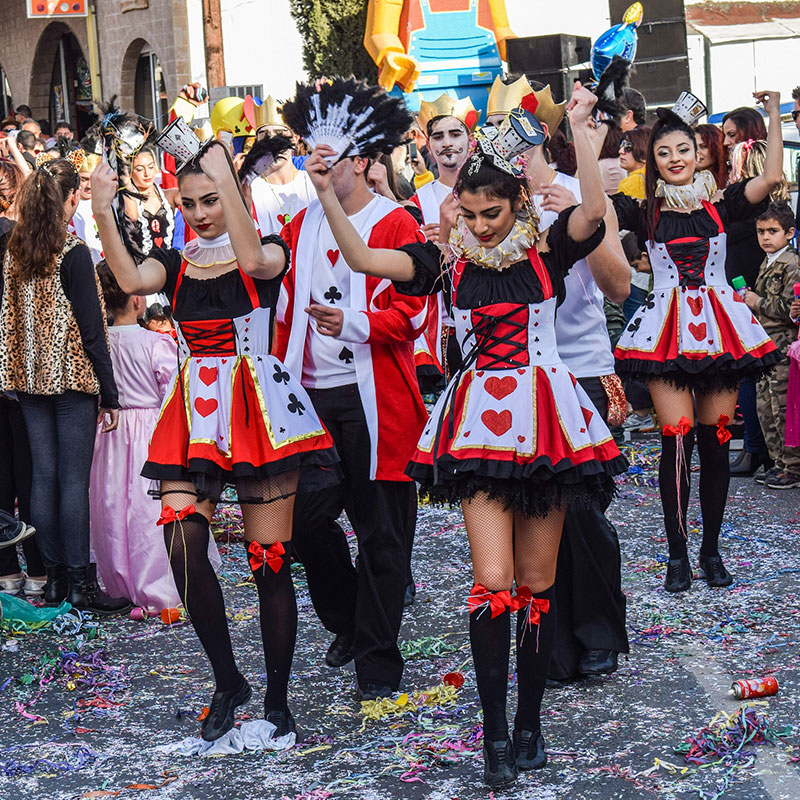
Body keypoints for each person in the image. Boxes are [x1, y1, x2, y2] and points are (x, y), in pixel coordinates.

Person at [304, 82, 627, 789]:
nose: (480, 225)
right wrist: (329, 192)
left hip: (547, 426)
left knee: (537, 583)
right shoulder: (445, 264)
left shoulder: (548, 255)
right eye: (470, 213)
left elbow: (595, 219)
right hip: (478, 424)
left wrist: (580, 139)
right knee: (493, 580)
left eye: (492, 213)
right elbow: (362, 261)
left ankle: (531, 721)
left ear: (516, 205)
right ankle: (494, 734)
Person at [92, 142, 338, 742]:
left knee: (269, 563)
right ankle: (228, 681)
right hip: (195, 409)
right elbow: (128, 277)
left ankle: (277, 698)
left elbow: (253, 264)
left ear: (230, 194)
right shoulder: (175, 263)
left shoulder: (268, 249)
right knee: (182, 536)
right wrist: (102, 210)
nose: (201, 213)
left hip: (259, 406)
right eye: (191, 202)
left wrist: (231, 182)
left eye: (211, 199)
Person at [278, 78, 428, 702]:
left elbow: (414, 311)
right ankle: (346, 619)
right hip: (311, 399)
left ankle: (376, 661)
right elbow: (276, 301)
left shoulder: (395, 222)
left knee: (383, 532)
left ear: (362, 161)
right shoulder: (297, 225)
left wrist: (358, 324)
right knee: (304, 522)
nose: (315, 168)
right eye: (307, 156)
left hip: (377, 401)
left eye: (328, 158)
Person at [613, 90, 784, 592]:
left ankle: (710, 550)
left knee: (714, 443)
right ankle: (676, 553)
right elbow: (592, 208)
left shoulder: (722, 202)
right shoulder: (642, 210)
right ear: (653, 160)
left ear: (698, 151)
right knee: (676, 439)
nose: (674, 160)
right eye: (663, 153)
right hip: (666, 331)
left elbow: (772, 177)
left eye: (682, 150)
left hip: (719, 329)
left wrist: (773, 112)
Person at [0, 156, 130, 615]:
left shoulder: (14, 251)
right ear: (70, 198)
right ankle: (78, 583)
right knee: (72, 482)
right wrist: (110, 393)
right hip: (71, 378)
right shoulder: (73, 252)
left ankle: (53, 579)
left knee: (43, 479)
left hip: (28, 378)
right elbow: (93, 330)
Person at [89, 263, 218, 609]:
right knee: (150, 508)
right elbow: (174, 388)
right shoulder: (156, 343)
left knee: (112, 504)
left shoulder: (98, 343)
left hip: (111, 433)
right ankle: (161, 582)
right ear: (137, 301)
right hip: (150, 430)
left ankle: (119, 581)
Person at [727, 138, 790, 477]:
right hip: (749, 298)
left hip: (759, 305)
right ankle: (764, 452)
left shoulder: (760, 213)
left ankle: (763, 452)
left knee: (761, 383)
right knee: (757, 386)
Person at [407, 96, 477, 396]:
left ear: (470, 139)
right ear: (429, 144)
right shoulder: (416, 203)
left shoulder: (493, 190)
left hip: (491, 320)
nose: (446, 143)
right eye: (438, 136)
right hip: (442, 331)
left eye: (455, 133)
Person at [0, 158, 43, 595]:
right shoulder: (17, 241)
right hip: (16, 373)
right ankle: (38, 571)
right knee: (28, 473)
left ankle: (7, 572)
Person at [742, 203, 800, 489]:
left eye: (772, 231)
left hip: (783, 347)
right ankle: (778, 463)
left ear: (789, 233)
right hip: (766, 347)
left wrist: (757, 302)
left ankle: (792, 467)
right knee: (766, 408)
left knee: (782, 408)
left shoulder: (791, 264)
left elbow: (791, 309)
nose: (765, 237)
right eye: (761, 232)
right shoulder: (768, 261)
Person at [250, 135, 316, 236]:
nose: (272, 141)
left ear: (295, 138)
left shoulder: (314, 183)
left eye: (279, 132)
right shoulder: (249, 190)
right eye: (264, 133)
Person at [71, 153, 103, 264]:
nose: (89, 185)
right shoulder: (69, 205)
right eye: (84, 179)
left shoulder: (110, 202)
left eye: (93, 179)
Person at [617, 125, 650, 199]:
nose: (621, 151)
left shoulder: (632, 183)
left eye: (628, 147)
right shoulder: (659, 179)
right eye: (621, 145)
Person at [694, 124, 727, 189]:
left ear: (717, 147)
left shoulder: (731, 179)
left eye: (703, 146)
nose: (696, 152)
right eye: (693, 147)